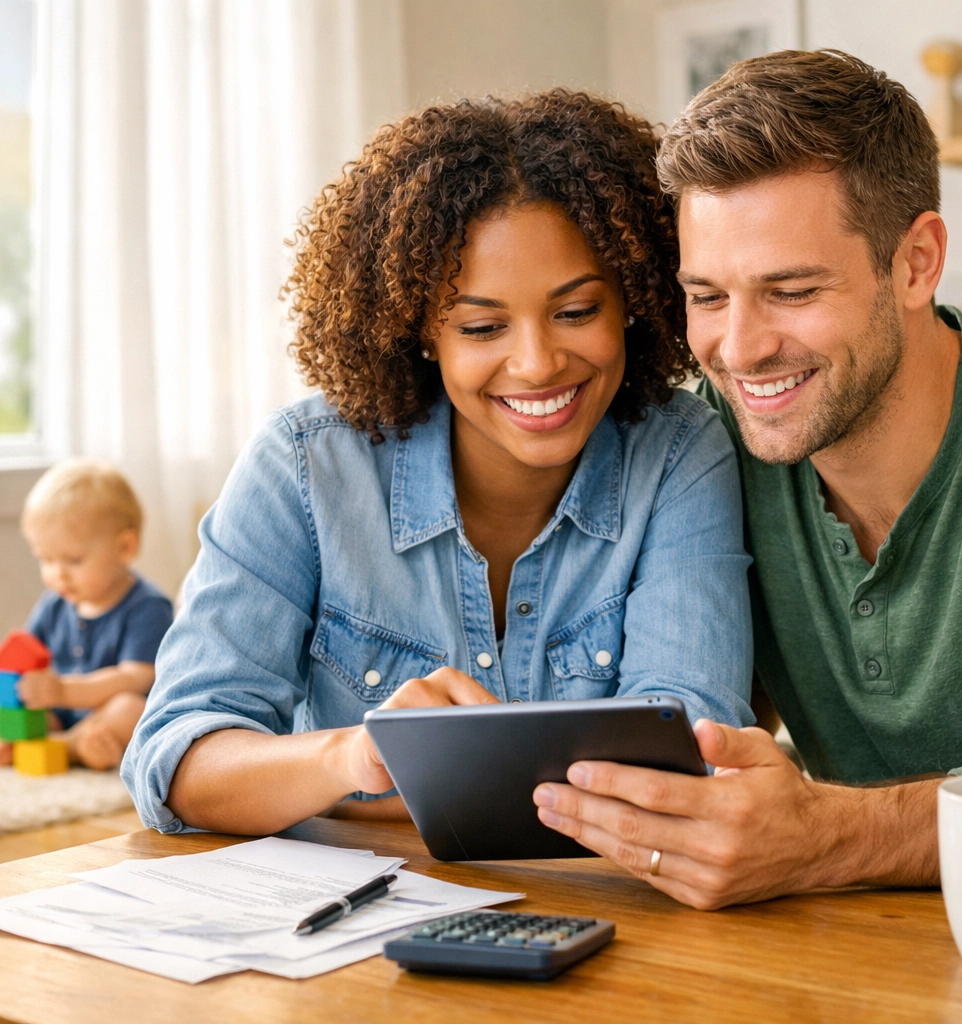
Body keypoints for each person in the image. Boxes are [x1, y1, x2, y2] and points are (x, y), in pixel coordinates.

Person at [122, 90, 754, 836]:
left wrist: (425, 784)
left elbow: (693, 753)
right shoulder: (304, 465)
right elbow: (175, 760)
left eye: (577, 311)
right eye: (482, 326)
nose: (536, 362)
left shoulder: (679, 453)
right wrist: (352, 759)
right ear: (423, 332)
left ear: (634, 300)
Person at [532, 50, 962, 908]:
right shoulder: (704, 449)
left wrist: (832, 836)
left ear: (916, 262)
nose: (741, 348)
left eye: (791, 290)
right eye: (708, 296)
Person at [11, 461, 174, 769]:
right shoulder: (54, 604)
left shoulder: (148, 606)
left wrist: (65, 690)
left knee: (130, 710)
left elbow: (137, 677)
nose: (57, 575)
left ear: (124, 548)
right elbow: (24, 653)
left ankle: (68, 748)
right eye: (46, 560)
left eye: (73, 560)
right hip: (62, 714)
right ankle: (45, 743)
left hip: (108, 715)